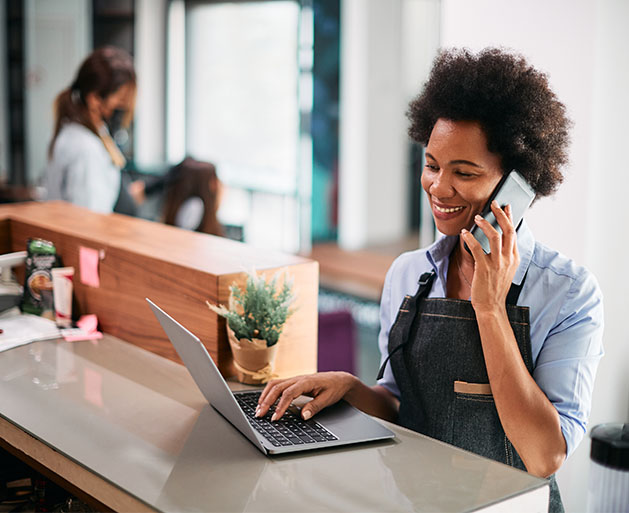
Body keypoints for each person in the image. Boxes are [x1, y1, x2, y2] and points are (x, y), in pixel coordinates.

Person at [255, 48, 604, 513]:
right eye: (432, 164)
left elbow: (545, 455)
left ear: (515, 187)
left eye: (465, 173)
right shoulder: (407, 274)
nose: (439, 187)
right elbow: (405, 407)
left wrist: (489, 308)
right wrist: (350, 387)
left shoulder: (569, 295)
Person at [44, 46, 144, 214]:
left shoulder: (88, 133)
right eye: (119, 101)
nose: (124, 108)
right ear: (94, 99)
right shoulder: (85, 148)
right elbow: (88, 221)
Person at [162, 157, 223, 236]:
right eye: (215, 179)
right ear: (209, 184)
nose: (219, 184)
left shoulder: (194, 206)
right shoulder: (195, 206)